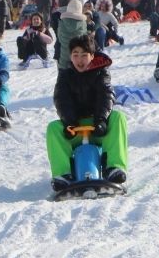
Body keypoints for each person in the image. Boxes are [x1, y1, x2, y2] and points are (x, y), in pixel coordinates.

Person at [47, 34, 127, 191]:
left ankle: (114, 167)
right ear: (70, 57)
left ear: (92, 56)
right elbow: (61, 100)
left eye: (84, 55)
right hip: (75, 126)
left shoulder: (101, 72)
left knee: (118, 118)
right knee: (53, 128)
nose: (80, 60)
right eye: (75, 55)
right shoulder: (65, 75)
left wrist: (101, 120)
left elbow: (106, 95)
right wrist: (69, 122)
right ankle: (63, 174)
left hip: (98, 126)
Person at [56, 0, 88, 71]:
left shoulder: (62, 22)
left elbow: (60, 38)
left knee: (63, 76)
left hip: (64, 54)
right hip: (78, 55)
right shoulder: (83, 23)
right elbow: (85, 38)